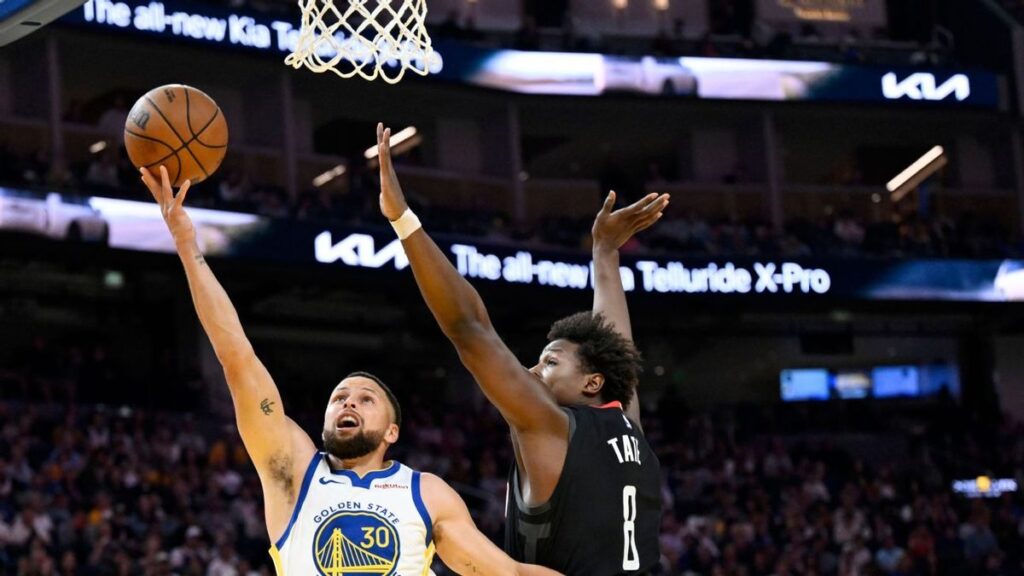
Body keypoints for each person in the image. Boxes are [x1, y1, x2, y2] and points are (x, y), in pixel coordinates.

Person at [139, 165, 562, 576]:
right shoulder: (293, 469)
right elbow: (236, 356)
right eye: (339, 397)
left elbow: (508, 573)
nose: (348, 402)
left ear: (392, 432)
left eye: (365, 399)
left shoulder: (426, 492)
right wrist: (187, 246)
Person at [375, 123, 667, 574]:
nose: (532, 371)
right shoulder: (628, 425)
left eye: (550, 362)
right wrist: (605, 253)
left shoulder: (550, 427)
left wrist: (403, 220)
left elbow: (470, 329)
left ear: (592, 381)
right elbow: (617, 348)